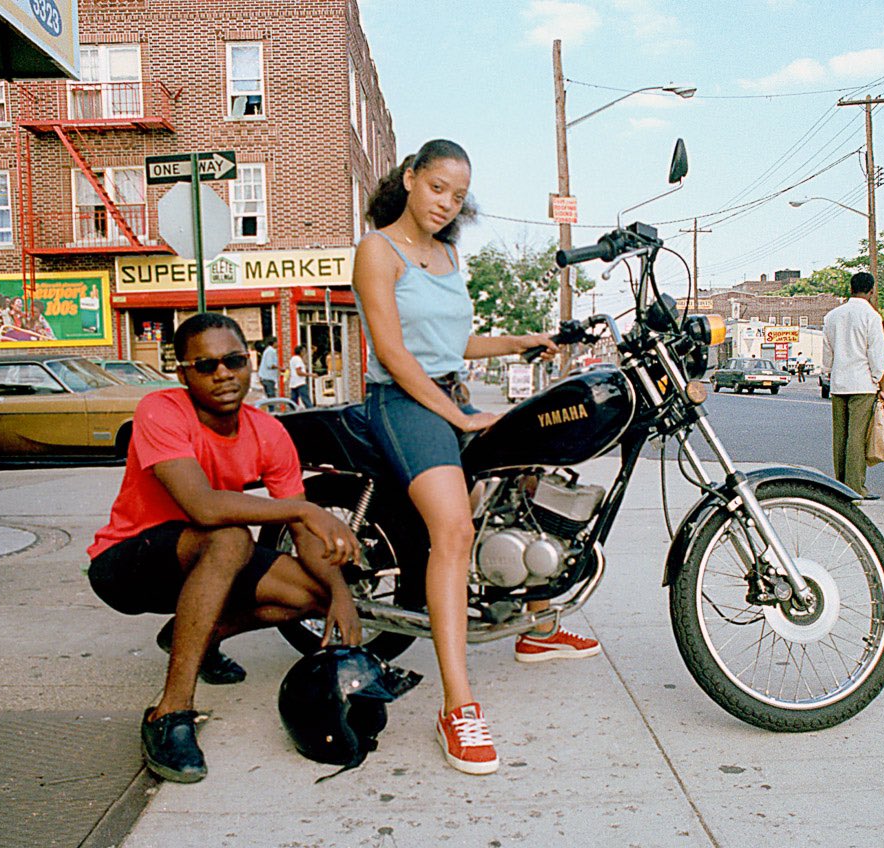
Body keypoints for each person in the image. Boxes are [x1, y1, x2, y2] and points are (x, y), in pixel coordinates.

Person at [354, 139, 599, 776]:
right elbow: (396, 352)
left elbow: (454, 339)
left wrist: (524, 340)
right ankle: (457, 706)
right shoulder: (376, 250)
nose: (446, 204)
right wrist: (458, 416)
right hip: (403, 401)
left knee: (527, 480)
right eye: (438, 188)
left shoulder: (448, 253)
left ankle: (536, 625)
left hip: (449, 391)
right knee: (455, 530)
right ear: (410, 179)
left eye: (458, 196)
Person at [86, 312, 362, 784]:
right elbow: (203, 507)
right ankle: (169, 713)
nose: (222, 374)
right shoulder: (161, 409)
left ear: (249, 362)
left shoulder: (269, 432)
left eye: (233, 360)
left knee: (311, 594)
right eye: (206, 365)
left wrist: (340, 595)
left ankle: (196, 636)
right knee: (232, 537)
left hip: (212, 558)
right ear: (183, 373)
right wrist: (307, 510)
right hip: (129, 562)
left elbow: (303, 536)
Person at [821, 272, 884, 500]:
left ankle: (839, 484)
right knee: (857, 437)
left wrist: (829, 372)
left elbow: (827, 352)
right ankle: (855, 487)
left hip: (839, 383)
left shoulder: (832, 316)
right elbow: (877, 355)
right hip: (863, 384)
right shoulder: (871, 317)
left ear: (851, 289)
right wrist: (882, 386)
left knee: (840, 436)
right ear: (871, 291)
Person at [288, 344, 315, 408]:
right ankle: (311, 412)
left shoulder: (293, 359)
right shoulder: (298, 359)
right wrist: (311, 375)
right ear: (301, 352)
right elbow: (299, 372)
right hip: (300, 383)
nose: (304, 353)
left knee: (293, 401)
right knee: (306, 400)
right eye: (304, 351)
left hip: (293, 383)